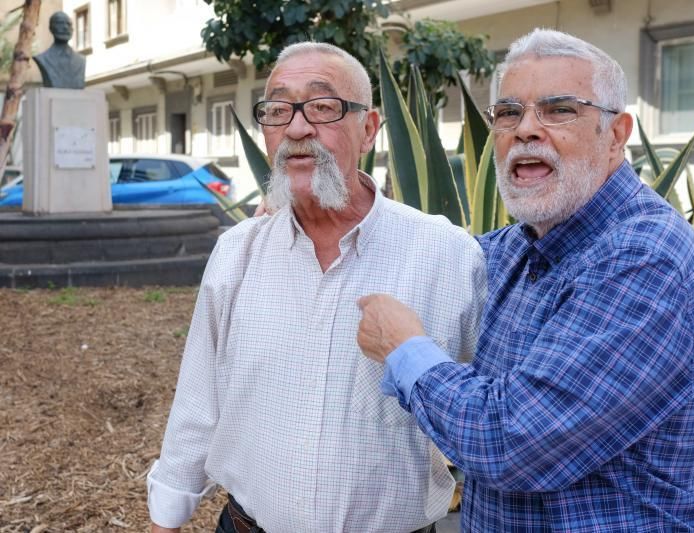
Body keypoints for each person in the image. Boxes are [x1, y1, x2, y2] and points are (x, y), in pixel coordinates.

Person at [357, 28, 694, 531]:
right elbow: (424, 257)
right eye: (508, 113)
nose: (525, 130)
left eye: (559, 109)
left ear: (616, 135)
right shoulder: (521, 244)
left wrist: (405, 351)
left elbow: (514, 442)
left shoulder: (646, 258)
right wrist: (317, 211)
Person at [146, 42, 485, 532]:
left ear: (368, 128)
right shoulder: (237, 253)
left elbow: (490, 413)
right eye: (278, 110)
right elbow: (198, 403)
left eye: (322, 107)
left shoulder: (446, 254)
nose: (297, 128)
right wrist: (167, 518)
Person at [33, 12, 86, 90]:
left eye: (69, 24)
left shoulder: (81, 60)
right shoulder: (43, 59)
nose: (65, 27)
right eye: (60, 23)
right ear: (51, 28)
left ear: (72, 29)